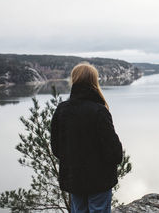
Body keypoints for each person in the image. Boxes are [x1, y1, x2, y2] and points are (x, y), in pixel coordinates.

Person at [51, 63, 123, 213]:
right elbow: (114, 151)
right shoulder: (99, 110)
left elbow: (56, 148)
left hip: (74, 179)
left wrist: (72, 162)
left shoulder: (62, 109)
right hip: (99, 180)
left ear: (74, 80)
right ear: (94, 81)